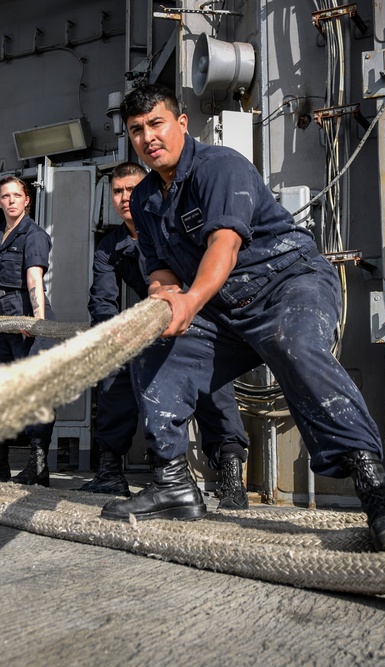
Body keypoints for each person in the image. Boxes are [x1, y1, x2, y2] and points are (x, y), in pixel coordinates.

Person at [99, 83, 385, 552]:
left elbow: (224, 246)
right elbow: (161, 267)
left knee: (296, 347)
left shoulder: (220, 166)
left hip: (287, 283)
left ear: (181, 123)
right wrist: (163, 297)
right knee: (155, 347)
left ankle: (378, 496)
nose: (148, 137)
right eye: (136, 130)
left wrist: (189, 302)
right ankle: (173, 483)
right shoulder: (147, 198)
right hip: (222, 308)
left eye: (156, 123)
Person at [80, 161, 251, 508]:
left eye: (132, 189)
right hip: (149, 324)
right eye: (118, 191)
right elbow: (102, 298)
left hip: (198, 316)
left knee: (213, 387)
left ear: (147, 190)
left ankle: (231, 477)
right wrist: (113, 334)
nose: (126, 197)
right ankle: (111, 471)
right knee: (115, 376)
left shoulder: (172, 226)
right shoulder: (109, 247)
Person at [0, 176, 56, 486]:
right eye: (6, 196)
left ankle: (38, 465)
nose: (12, 200)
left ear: (27, 200)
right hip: (3, 320)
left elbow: (34, 278)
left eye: (18, 195)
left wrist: (37, 320)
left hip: (28, 317)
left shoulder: (34, 235)